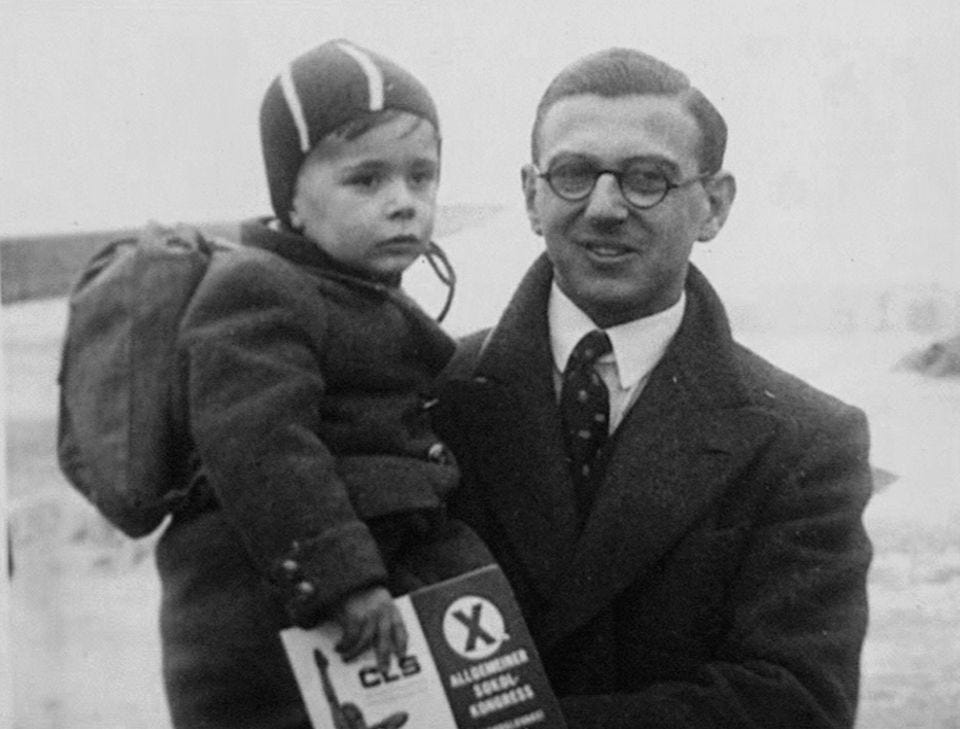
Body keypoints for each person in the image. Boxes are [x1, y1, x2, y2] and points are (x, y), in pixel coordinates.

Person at [433, 47, 873, 729]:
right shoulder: (428, 397)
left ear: (714, 205)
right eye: (574, 174)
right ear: (531, 195)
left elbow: (798, 703)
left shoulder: (807, 439)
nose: (605, 208)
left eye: (648, 179)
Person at [156, 39, 491, 729]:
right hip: (277, 613)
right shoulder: (259, 287)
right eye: (366, 181)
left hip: (362, 602)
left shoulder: (359, 293)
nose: (404, 203)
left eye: (421, 177)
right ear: (293, 202)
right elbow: (260, 441)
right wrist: (342, 576)